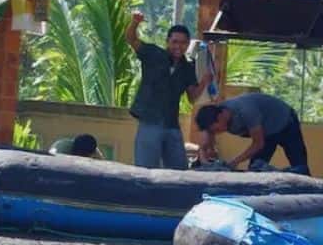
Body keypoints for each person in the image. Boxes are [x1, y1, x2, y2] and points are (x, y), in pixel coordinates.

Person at [125, 11, 210, 169]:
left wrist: (204, 82)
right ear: (168, 42)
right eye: (175, 42)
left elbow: (192, 98)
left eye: (183, 43)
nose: (178, 46)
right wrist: (135, 22)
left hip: (172, 124)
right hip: (150, 121)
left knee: (179, 171)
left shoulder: (187, 67)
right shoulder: (154, 54)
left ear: (187, 44)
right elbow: (131, 39)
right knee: (145, 171)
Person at [194, 93, 310, 173]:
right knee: (255, 169)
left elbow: (258, 143)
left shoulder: (246, 111)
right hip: (265, 132)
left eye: (216, 130)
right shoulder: (214, 114)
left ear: (220, 117)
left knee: (300, 166)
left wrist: (234, 163)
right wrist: (203, 154)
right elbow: (206, 137)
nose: (217, 133)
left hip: (285, 122)